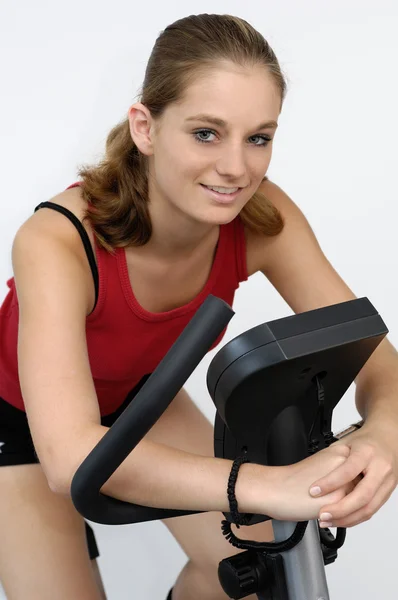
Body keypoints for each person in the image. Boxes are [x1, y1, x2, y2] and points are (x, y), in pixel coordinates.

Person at [1, 12, 397, 600]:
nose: (237, 168)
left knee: (264, 566)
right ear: (146, 127)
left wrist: (381, 437)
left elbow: (380, 365)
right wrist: (267, 485)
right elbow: (70, 457)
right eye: (206, 133)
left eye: (258, 137)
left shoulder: (262, 219)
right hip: (23, 424)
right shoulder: (58, 239)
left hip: (142, 399)